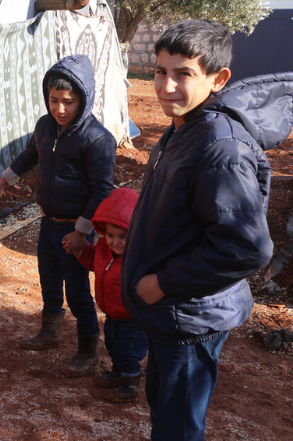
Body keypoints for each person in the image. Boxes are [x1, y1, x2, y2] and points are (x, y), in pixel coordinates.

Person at [121, 20, 292, 440]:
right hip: (174, 313)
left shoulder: (221, 147)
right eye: (161, 71)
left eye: (183, 74)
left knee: (177, 425)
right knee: (165, 407)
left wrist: (161, 282)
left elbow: (247, 248)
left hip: (191, 317)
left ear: (218, 80)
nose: (166, 86)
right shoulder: (183, 129)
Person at [0, 54, 117, 377]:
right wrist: (3, 182)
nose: (60, 109)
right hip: (48, 223)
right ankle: (50, 331)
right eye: (53, 100)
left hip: (74, 230)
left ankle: (88, 350)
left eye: (68, 102)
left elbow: (102, 190)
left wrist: (82, 232)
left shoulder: (97, 139)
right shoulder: (46, 126)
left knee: (76, 290)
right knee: (48, 281)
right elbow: (31, 155)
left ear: (83, 100)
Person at [69, 187, 147, 402]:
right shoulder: (104, 247)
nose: (116, 241)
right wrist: (82, 251)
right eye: (111, 235)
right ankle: (118, 373)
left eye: (123, 236)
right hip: (113, 312)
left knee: (128, 350)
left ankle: (130, 384)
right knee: (114, 344)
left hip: (133, 316)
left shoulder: (139, 257)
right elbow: (96, 263)